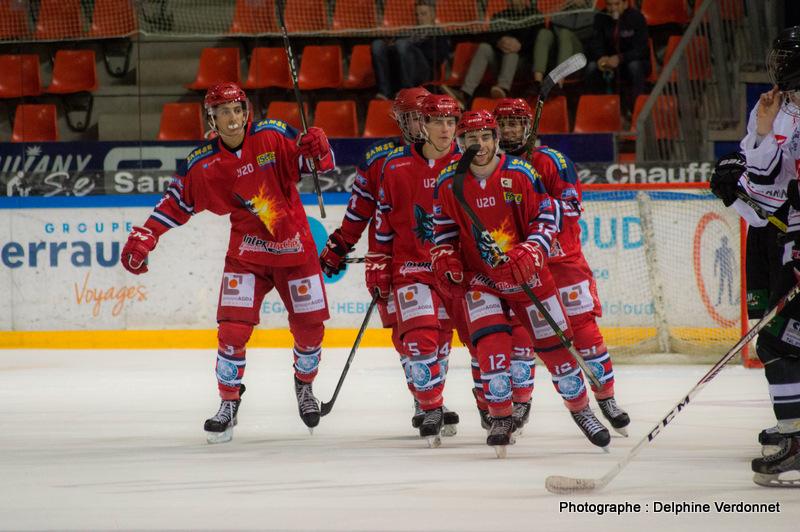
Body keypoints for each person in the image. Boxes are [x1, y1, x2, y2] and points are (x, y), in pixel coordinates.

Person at [120, 82, 335, 444]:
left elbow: (318, 166)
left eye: (237, 110)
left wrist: (319, 147)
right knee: (232, 332)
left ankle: (305, 386)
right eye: (224, 112)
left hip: (295, 250)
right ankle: (228, 402)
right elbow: (175, 203)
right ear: (212, 118)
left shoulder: (273, 136)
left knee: (311, 329)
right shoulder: (204, 163)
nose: (232, 118)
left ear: (245, 111)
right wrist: (147, 235)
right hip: (246, 256)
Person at [431, 109, 611, 454]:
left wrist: (531, 251)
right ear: (460, 143)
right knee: (490, 347)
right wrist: (445, 257)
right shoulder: (448, 181)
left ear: (496, 140)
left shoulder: (520, 174)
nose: (479, 144)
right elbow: (443, 231)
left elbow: (545, 219)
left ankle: (582, 410)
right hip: (482, 279)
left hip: (530, 277)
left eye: (485, 137)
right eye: (471, 139)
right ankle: (500, 415)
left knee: (557, 350)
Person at [319, 86, 459, 432]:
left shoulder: (457, 156)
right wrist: (339, 245)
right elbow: (359, 211)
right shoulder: (380, 159)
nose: (416, 125)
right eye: (409, 118)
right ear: (400, 120)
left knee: (440, 335)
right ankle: (424, 397)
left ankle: (428, 395)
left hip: (443, 264)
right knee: (408, 335)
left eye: (420, 117)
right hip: (397, 264)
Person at [492, 98, 630, 435]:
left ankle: (606, 396)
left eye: (516, 123)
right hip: (523, 268)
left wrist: (534, 195)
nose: (510, 130)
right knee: (521, 337)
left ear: (528, 126)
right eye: (504, 124)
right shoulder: (494, 167)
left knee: (584, 332)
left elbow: (570, 209)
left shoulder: (552, 161)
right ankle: (520, 402)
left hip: (562, 261)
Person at [709, 26, 800, 487]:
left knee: (781, 340)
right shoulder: (774, 108)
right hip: (779, 237)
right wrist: (735, 174)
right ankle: (795, 427)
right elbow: (762, 174)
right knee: (774, 337)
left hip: (793, 235)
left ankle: (795, 437)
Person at [368, 94, 467, 447]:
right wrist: (377, 261)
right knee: (420, 341)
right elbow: (382, 221)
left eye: (451, 121)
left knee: (441, 345)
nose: (445, 129)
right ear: (422, 125)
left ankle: (432, 399)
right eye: (437, 121)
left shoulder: (467, 164)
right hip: (410, 268)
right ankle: (430, 406)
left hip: (453, 271)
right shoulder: (394, 167)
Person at [443, 0, 544, 105]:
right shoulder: (499, 16)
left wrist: (520, 45)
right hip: (499, 62)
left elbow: (539, 43)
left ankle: (503, 89)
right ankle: (465, 94)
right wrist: (499, 41)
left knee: (511, 54)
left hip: (522, 65)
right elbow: (489, 36)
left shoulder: (535, 16)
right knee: (484, 47)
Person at [370, 0, 451, 100]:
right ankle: (384, 92)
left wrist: (414, 48)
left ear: (433, 15)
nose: (419, 18)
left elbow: (440, 56)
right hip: (400, 69)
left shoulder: (438, 33)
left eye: (423, 14)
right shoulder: (409, 31)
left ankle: (407, 92)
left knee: (402, 44)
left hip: (423, 70)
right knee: (377, 45)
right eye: (417, 14)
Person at [583, 0, 650, 119]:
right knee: (591, 68)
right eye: (609, 4)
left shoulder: (636, 17)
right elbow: (595, 42)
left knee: (634, 66)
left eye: (617, 4)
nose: (613, 8)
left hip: (632, 61)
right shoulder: (600, 17)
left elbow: (641, 49)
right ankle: (596, 112)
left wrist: (620, 58)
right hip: (608, 62)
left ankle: (636, 113)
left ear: (625, 4)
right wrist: (600, 57)